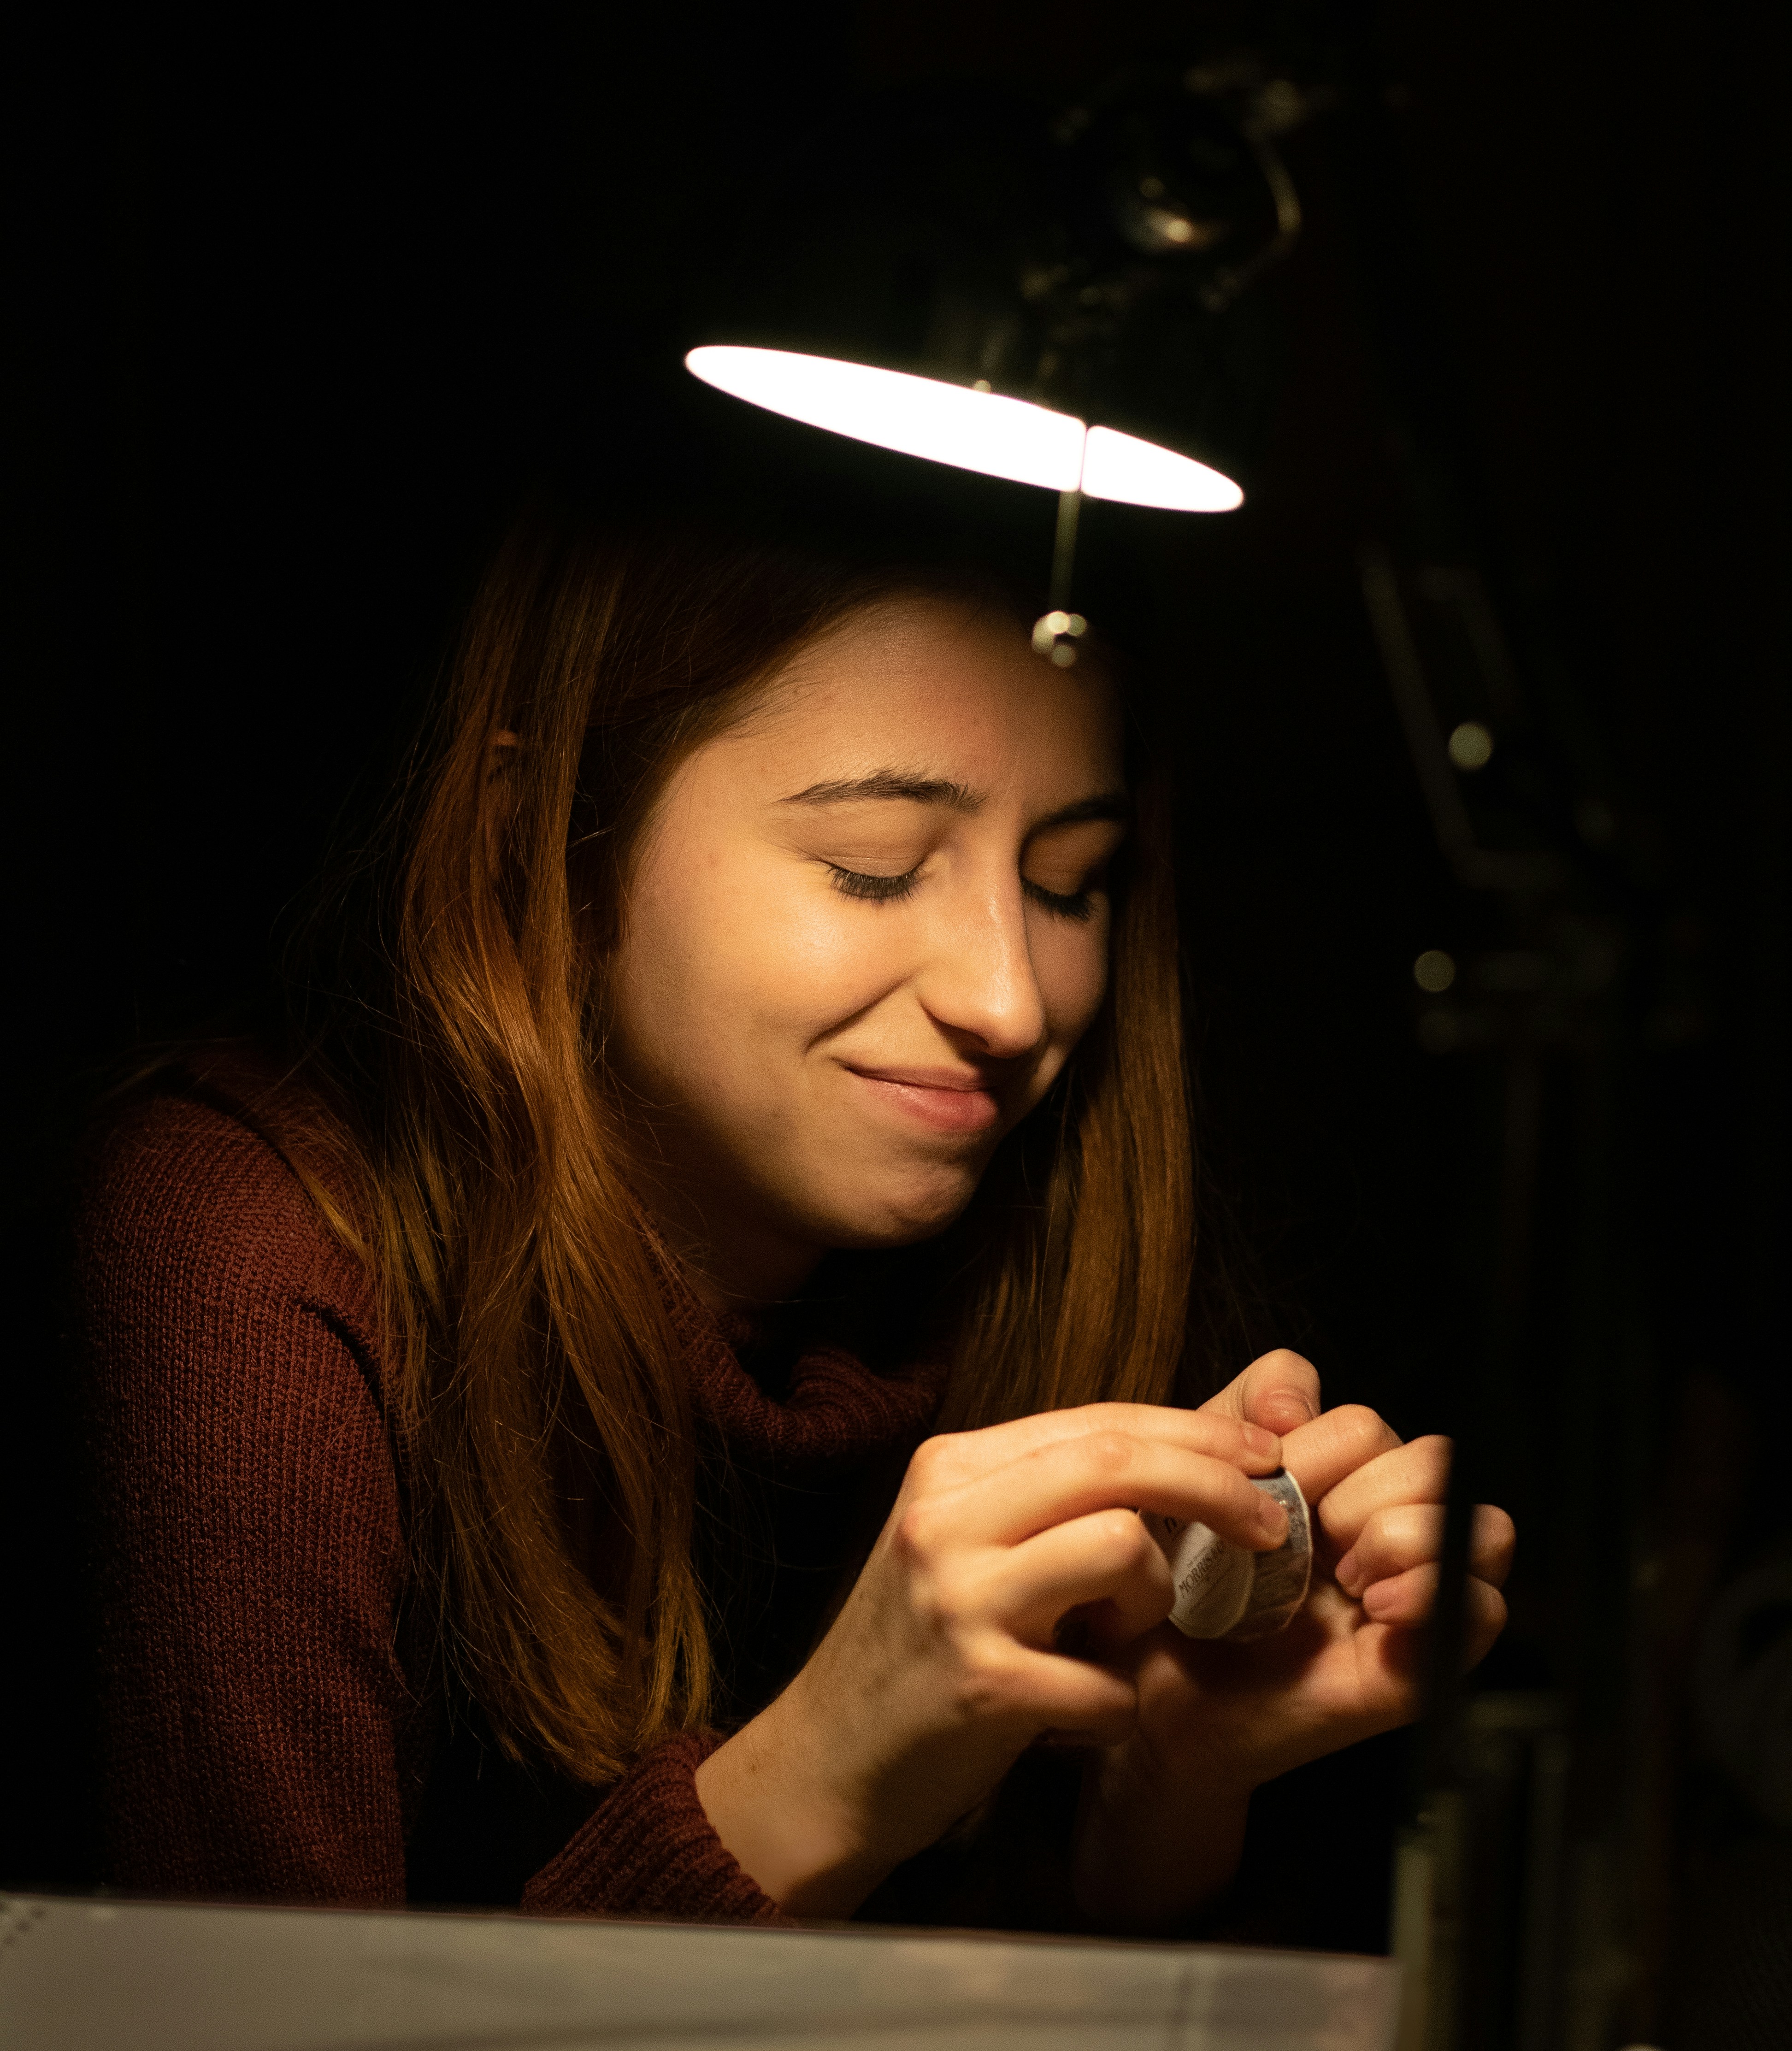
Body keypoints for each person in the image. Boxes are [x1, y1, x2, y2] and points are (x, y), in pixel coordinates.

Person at [74, 503, 1514, 1931]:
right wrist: (824, 1778)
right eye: (874, 866)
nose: (1010, 1001)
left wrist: (1164, 1790)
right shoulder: (245, 1270)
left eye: (1068, 884)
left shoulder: (1050, 1258)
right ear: (545, 841)